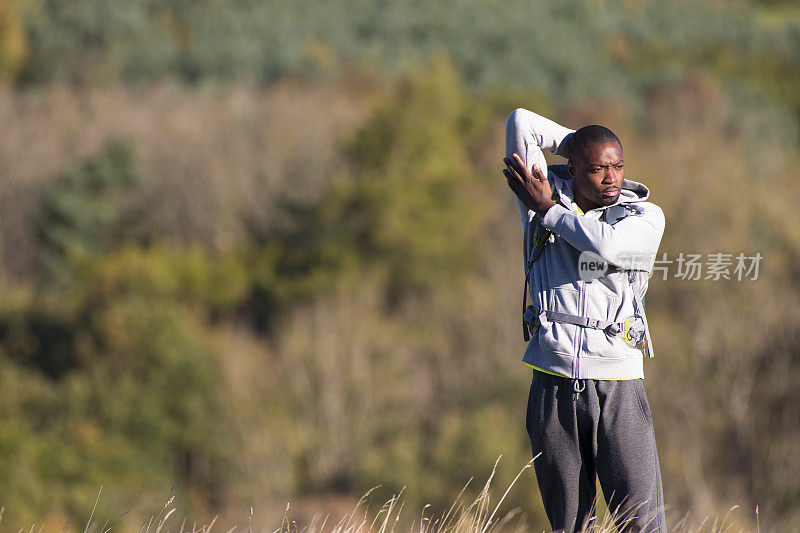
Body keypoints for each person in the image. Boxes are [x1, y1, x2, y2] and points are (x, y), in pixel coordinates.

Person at [501, 108, 666, 533]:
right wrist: (584, 141)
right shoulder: (540, 196)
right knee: (570, 525)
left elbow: (608, 249)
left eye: (617, 165)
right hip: (551, 382)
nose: (611, 177)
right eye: (597, 167)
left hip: (619, 387)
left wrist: (550, 210)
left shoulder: (644, 217)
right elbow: (521, 122)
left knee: (642, 523)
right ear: (572, 168)